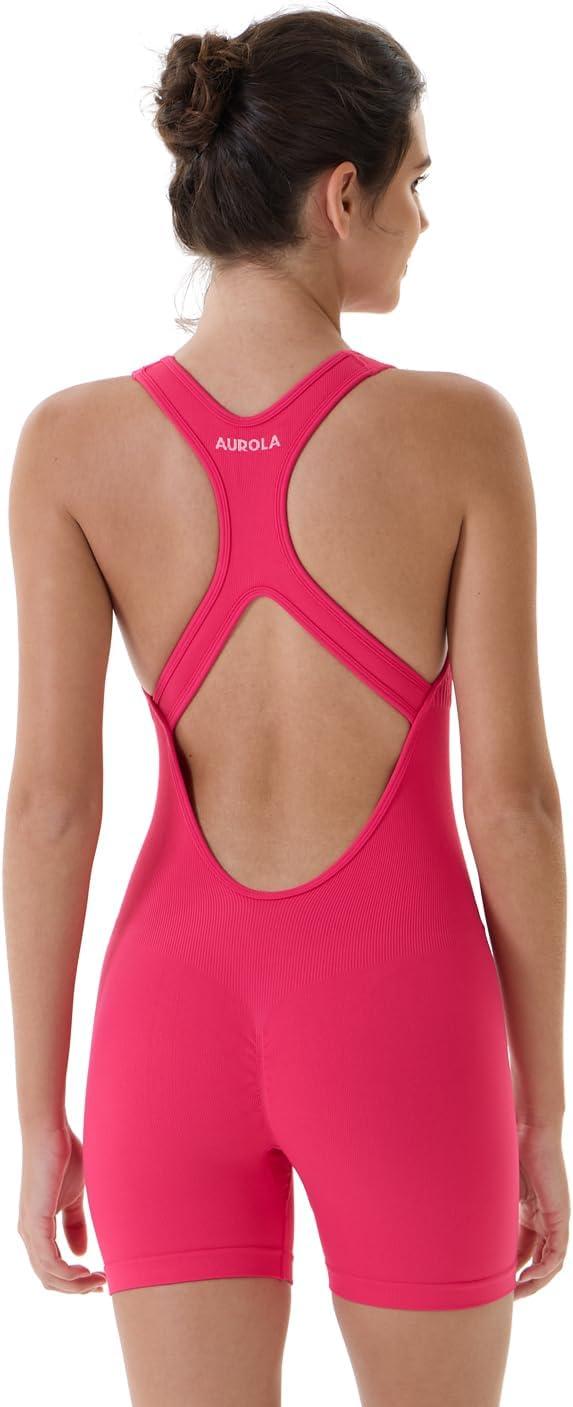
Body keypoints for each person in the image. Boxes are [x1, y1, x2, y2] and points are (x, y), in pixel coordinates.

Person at [4, 9, 569, 1407]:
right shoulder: (462, 432)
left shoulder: (70, 443)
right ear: (342, 196)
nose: (425, 218)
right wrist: (541, 1114)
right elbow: (510, 804)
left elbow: (52, 808)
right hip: (403, 1020)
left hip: (165, 1025)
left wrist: (40, 1119)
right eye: (418, 181)